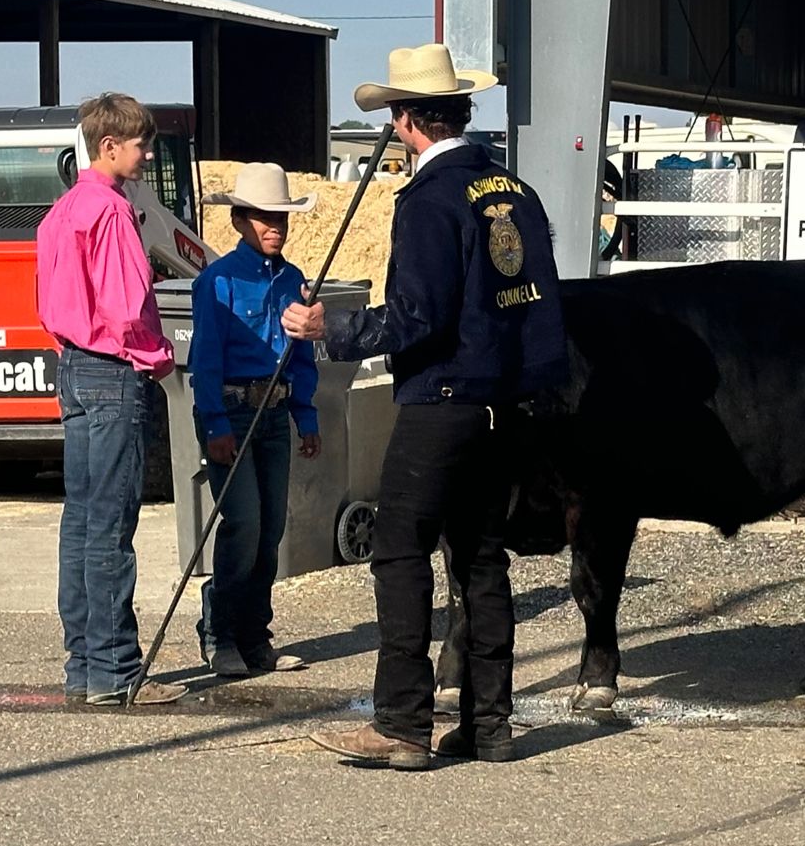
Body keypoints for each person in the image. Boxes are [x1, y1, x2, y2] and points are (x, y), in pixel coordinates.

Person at [282, 43, 568, 770]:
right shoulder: (516, 192)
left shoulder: (429, 200)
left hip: (442, 397)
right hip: (507, 402)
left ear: (406, 121)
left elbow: (419, 316)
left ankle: (403, 722)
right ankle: (489, 723)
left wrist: (333, 330)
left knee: (400, 548)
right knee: (480, 556)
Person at [35, 92, 186, 706]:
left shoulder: (60, 212)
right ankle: (116, 667)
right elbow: (129, 308)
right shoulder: (113, 211)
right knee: (111, 523)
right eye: (141, 145)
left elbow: (47, 301)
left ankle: (84, 663)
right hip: (113, 372)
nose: (146, 155)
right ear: (109, 146)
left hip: (73, 365)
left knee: (80, 519)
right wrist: (159, 358)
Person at [189, 163, 321, 677]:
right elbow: (204, 359)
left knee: (270, 528)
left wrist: (306, 414)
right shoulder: (216, 281)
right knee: (244, 522)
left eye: (281, 218)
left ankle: (253, 636)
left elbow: (301, 354)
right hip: (232, 413)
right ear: (240, 220)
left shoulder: (293, 280)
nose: (275, 227)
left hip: (275, 414)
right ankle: (220, 633)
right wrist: (215, 423)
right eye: (265, 218)